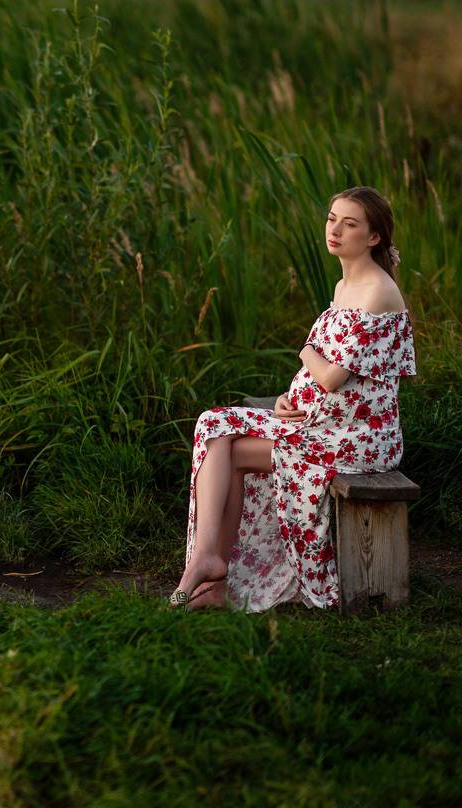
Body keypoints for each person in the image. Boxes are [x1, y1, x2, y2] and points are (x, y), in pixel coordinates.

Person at [169, 186, 418, 611]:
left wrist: (304, 349)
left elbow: (333, 377)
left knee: (222, 439)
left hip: (357, 438)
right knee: (215, 430)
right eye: (332, 219)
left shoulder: (377, 291)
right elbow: (337, 374)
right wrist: (291, 395)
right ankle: (209, 566)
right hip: (323, 422)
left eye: (350, 224)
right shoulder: (344, 285)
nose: (335, 230)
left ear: (373, 237)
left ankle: (211, 569)